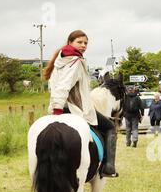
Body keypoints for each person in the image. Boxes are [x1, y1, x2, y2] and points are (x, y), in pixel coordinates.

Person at [44, 30, 118, 177]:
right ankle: (109, 167)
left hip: (56, 107)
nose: (83, 45)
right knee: (110, 127)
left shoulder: (59, 60)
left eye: (85, 43)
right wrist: (58, 109)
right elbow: (64, 86)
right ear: (70, 42)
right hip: (75, 109)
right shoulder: (75, 61)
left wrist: (55, 108)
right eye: (79, 42)